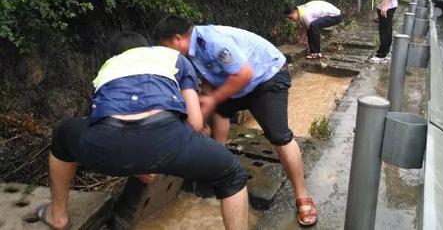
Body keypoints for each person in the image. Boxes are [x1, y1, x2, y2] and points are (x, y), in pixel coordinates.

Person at [38, 32, 249, 230]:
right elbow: (194, 122)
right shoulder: (172, 57)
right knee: (232, 175)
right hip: (168, 138)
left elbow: (105, 120)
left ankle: (58, 216)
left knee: (63, 133)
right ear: (148, 47)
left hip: (105, 148)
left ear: (114, 54)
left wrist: (138, 166)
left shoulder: (108, 68)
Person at [153, 17, 318, 227]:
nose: (166, 53)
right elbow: (208, 84)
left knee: (279, 136)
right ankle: (219, 166)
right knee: (220, 110)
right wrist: (202, 116)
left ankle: (302, 196)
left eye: (165, 47)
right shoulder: (188, 53)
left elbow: (244, 74)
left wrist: (212, 100)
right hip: (237, 82)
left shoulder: (212, 42)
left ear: (177, 39)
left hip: (267, 76)